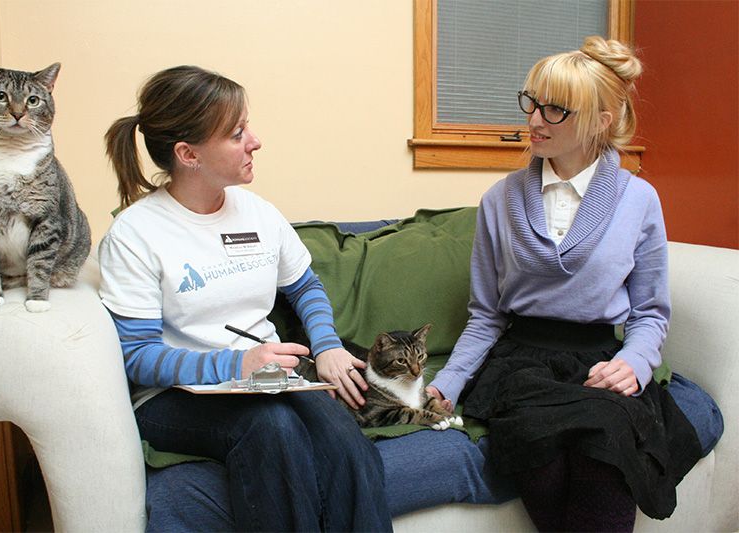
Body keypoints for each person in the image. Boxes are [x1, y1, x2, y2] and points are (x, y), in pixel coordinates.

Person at [426, 36, 723, 532]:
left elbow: (650, 313)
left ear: (600, 121)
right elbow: (487, 314)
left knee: (605, 445)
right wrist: (449, 383)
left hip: (599, 363)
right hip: (521, 366)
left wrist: (633, 362)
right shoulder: (499, 201)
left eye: (555, 109)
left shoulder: (639, 200)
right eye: (532, 103)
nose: (535, 121)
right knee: (538, 448)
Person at [99, 65, 393, 532]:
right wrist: (235, 366)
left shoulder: (258, 213)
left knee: (342, 439)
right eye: (237, 134)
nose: (255, 141)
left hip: (265, 377)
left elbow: (304, 286)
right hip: (173, 397)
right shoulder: (136, 235)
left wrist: (327, 345)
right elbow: (136, 356)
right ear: (187, 153)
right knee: (271, 428)